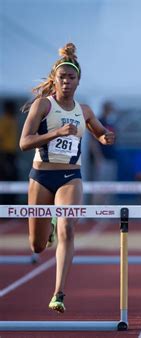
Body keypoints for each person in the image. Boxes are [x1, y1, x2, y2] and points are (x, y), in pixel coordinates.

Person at [19, 43, 115, 313]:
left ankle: (58, 292)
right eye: (62, 77)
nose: (66, 81)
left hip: (70, 177)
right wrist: (56, 133)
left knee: (68, 228)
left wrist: (106, 137)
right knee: (37, 246)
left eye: (71, 77)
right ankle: (47, 225)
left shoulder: (84, 111)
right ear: (55, 79)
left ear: (78, 81)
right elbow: (24, 143)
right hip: (41, 176)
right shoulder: (43, 106)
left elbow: (100, 132)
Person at [89, 101, 118, 204]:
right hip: (102, 160)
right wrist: (98, 158)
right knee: (98, 187)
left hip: (111, 159)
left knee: (109, 187)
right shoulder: (98, 121)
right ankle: (95, 214)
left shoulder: (111, 123)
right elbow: (92, 142)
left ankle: (105, 215)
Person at [0, 100, 19, 204]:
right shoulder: (4, 121)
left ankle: (11, 201)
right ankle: (5, 203)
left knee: (13, 176)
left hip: (12, 153)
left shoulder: (13, 120)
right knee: (6, 176)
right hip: (5, 154)